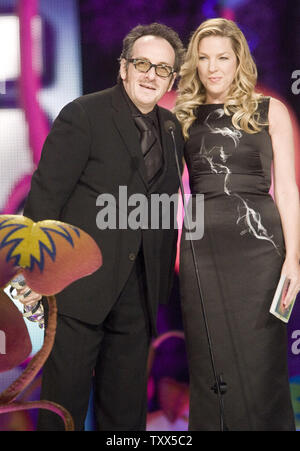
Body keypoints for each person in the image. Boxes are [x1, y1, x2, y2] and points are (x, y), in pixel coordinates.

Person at [16, 22, 185, 431]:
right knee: (64, 407)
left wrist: (158, 286)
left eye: (162, 69)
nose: (151, 75)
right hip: (76, 293)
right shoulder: (83, 114)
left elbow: (163, 210)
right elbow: (45, 198)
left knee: (126, 414)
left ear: (172, 79)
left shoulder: (174, 130)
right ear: (123, 68)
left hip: (138, 296)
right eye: (142, 63)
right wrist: (38, 281)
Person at [175, 18, 300, 431]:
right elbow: (162, 190)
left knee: (262, 361)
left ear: (238, 61)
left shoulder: (270, 111)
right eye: (204, 58)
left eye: (222, 58)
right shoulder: (183, 116)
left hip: (262, 251)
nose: (213, 67)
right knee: (210, 364)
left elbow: (287, 190)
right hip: (202, 253)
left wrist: (294, 261)